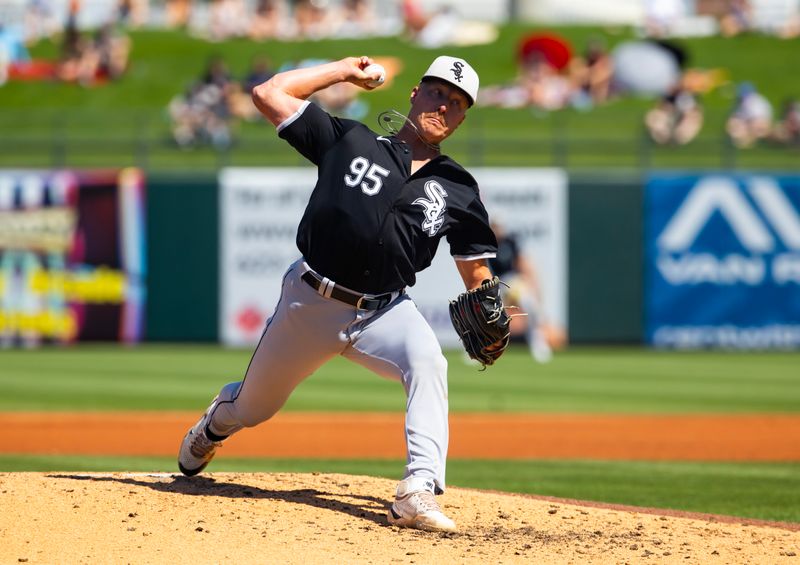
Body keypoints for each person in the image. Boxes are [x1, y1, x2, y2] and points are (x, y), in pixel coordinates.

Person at [178, 55, 501, 533]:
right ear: (415, 93)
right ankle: (215, 425)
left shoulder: (458, 187)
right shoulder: (351, 140)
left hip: (384, 311)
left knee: (430, 363)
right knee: (254, 408)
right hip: (310, 302)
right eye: (436, 92)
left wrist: (491, 305)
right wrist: (344, 71)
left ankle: (418, 490)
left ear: (462, 117)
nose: (443, 106)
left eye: (456, 103)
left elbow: (475, 270)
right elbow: (269, 95)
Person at [488, 220, 553, 363]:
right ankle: (481, 348)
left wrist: (532, 284)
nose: (497, 229)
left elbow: (523, 264)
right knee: (487, 312)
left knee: (528, 303)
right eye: (494, 225)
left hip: (513, 281)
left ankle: (538, 341)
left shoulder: (510, 242)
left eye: (498, 226)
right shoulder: (487, 243)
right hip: (496, 283)